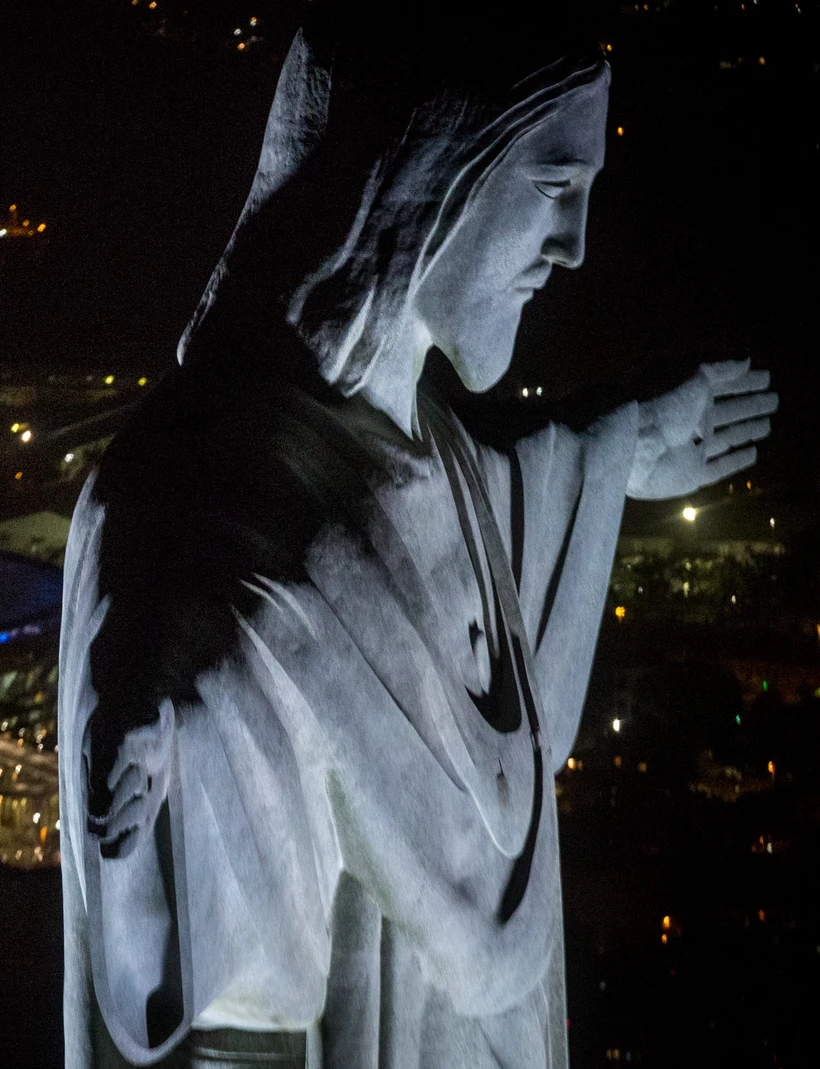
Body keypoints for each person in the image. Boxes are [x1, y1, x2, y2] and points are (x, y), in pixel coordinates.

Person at [56, 9, 776, 1068]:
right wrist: (157, 793)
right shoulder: (203, 505)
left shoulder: (426, 446)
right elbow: (217, 1011)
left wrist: (619, 447)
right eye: (553, 187)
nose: (573, 249)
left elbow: (437, 517)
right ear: (430, 171)